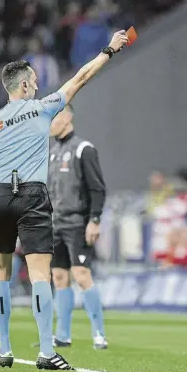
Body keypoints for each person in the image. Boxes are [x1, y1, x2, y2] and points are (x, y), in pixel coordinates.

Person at [0, 30, 129, 370]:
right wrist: (110, 50)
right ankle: (46, 351)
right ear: (23, 86)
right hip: (33, 195)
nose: (37, 86)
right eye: (34, 82)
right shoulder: (43, 108)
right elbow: (81, 77)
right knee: (40, 274)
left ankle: (5, 349)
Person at [47, 103, 107, 350]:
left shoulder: (84, 149)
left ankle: (99, 333)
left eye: (52, 117)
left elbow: (97, 188)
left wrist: (94, 220)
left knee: (81, 275)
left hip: (77, 223)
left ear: (67, 117)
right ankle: (62, 334)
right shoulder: (51, 152)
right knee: (59, 277)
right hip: (54, 224)